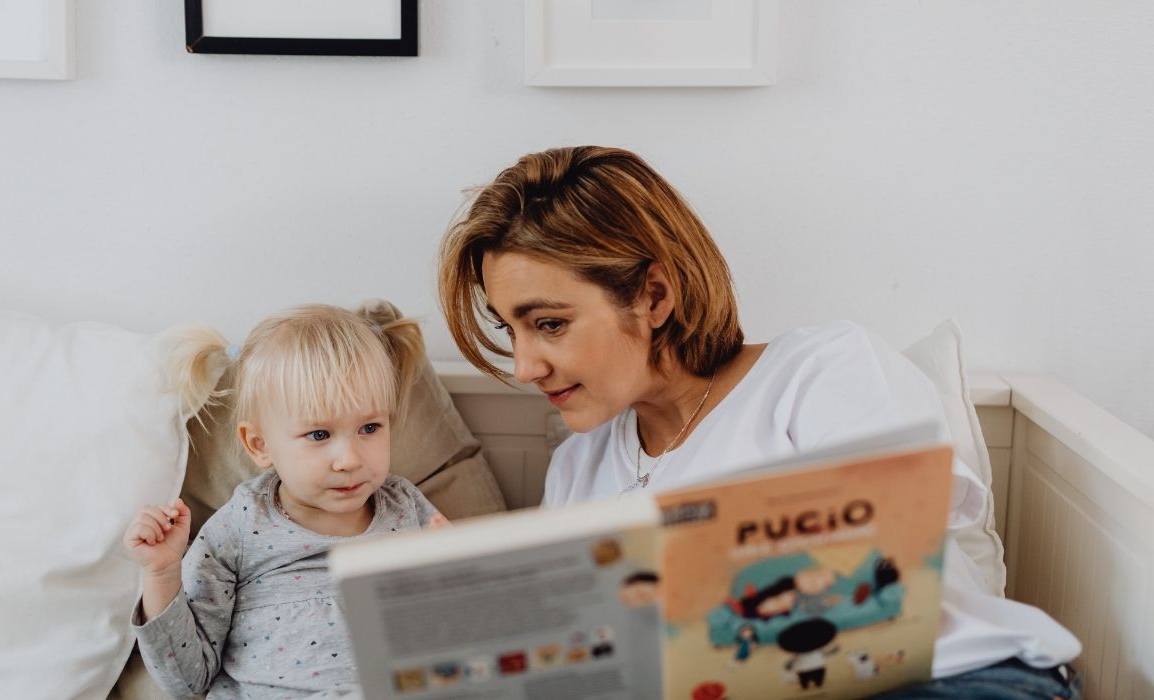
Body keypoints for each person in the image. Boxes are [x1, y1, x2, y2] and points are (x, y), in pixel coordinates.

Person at [437, 145, 1082, 698]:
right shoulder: (578, 468)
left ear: (654, 296)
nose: (524, 366)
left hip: (946, 679)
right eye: (511, 329)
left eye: (549, 324)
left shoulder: (821, 370)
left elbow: (890, 563)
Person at [124, 304, 448, 699]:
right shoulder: (240, 528)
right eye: (318, 435)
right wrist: (161, 574)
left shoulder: (407, 508)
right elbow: (187, 679)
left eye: (370, 428)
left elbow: (459, 634)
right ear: (259, 445)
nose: (349, 460)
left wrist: (457, 572)